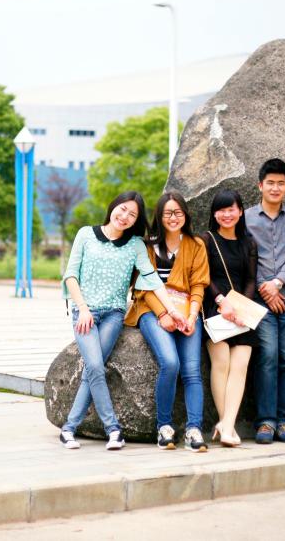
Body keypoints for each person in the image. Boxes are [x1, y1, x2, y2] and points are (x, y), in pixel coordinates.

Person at [60, 191, 181, 450]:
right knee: (95, 366)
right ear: (113, 206)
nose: (125, 216)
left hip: (113, 316)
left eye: (132, 214)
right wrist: (83, 308)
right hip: (85, 314)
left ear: (136, 221)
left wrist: (172, 311)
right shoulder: (85, 234)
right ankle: (113, 429)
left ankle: (69, 429)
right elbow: (70, 275)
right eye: (123, 209)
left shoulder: (135, 245)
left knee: (93, 369)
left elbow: (152, 279)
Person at [127, 192, 210, 452]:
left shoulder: (196, 245)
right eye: (167, 213)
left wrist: (193, 316)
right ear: (159, 217)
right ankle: (164, 426)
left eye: (178, 212)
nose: (173, 218)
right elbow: (142, 288)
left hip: (186, 310)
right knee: (170, 362)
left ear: (185, 214)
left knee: (192, 370)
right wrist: (163, 314)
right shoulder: (148, 246)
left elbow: (198, 285)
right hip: (151, 310)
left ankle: (194, 429)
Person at [245, 158, 285, 444]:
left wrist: (277, 283)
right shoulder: (246, 218)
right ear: (260, 185)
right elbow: (245, 257)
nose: (275, 188)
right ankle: (266, 422)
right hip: (260, 303)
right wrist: (265, 288)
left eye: (280, 183)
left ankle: (284, 421)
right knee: (267, 356)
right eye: (270, 183)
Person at [203, 189, 259, 447]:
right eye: (221, 210)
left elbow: (251, 279)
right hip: (215, 308)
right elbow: (203, 277)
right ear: (214, 213)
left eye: (231, 209)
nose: (227, 214)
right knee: (222, 362)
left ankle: (226, 425)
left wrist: (241, 307)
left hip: (242, 313)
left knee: (241, 366)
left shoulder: (249, 243)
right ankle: (227, 426)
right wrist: (222, 301)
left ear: (240, 211)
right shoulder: (206, 240)